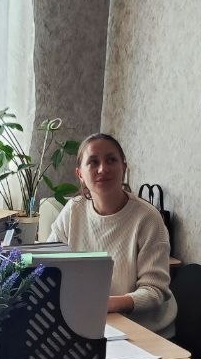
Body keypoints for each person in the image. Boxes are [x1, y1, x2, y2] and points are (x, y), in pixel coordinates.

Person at [48, 133, 177, 335]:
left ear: (124, 168)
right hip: (91, 321)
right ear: (80, 174)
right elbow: (48, 266)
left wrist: (104, 304)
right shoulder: (73, 210)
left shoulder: (148, 218)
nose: (103, 169)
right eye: (93, 162)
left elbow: (154, 291)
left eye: (111, 160)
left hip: (143, 330)